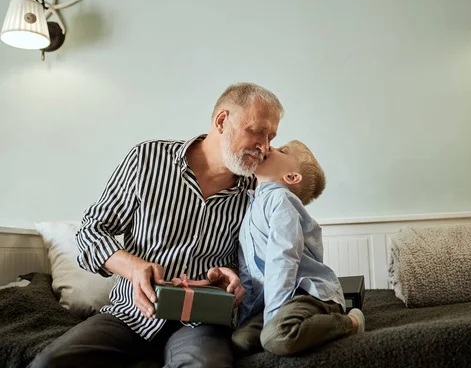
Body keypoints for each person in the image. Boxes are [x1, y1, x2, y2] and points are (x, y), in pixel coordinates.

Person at [30, 82, 284, 368]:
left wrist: (235, 277)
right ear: (222, 121)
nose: (264, 147)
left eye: (271, 136)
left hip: (201, 323)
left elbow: (263, 262)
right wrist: (134, 267)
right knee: (49, 363)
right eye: (256, 131)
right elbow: (91, 231)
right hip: (129, 315)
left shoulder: (258, 190)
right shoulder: (147, 160)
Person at [232, 140, 365, 357]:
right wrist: (247, 317)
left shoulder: (281, 199)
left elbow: (283, 257)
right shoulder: (252, 206)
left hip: (307, 295)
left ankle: (350, 322)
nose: (270, 147)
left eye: (282, 150)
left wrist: (274, 315)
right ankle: (277, 327)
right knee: (241, 341)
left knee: (276, 335)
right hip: (280, 300)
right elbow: (249, 271)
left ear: (291, 177)